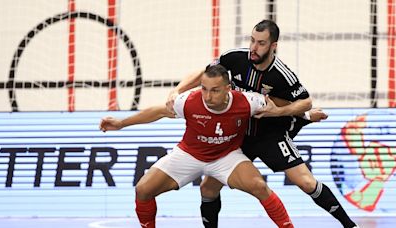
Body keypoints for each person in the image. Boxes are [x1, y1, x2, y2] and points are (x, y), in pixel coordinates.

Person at [166, 20, 358, 228]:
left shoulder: (282, 74)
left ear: (273, 45)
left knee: (306, 182)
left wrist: (280, 112)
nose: (254, 48)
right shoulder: (235, 58)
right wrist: (177, 90)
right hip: (238, 137)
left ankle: (350, 225)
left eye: (261, 43)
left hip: (270, 136)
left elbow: (305, 101)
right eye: (252, 40)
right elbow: (205, 73)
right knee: (208, 189)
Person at [100, 64, 294, 228]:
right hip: (188, 155)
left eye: (215, 90)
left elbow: (284, 104)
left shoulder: (248, 101)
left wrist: (307, 115)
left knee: (259, 186)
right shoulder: (188, 101)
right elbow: (158, 112)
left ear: (228, 89)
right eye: (204, 88)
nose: (208, 96)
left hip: (226, 157)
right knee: (143, 189)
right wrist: (121, 123)